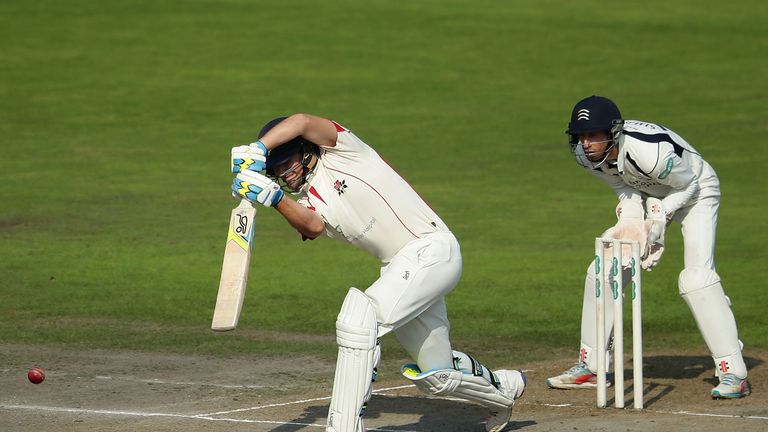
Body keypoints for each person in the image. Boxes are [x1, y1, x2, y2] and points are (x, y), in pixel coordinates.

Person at [229, 113, 526, 432]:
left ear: (305, 149)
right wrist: (273, 198)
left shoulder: (342, 149)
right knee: (436, 377)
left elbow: (301, 120)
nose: (284, 174)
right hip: (402, 267)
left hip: (432, 250)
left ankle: (342, 427)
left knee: (359, 319)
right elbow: (312, 226)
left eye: (287, 161)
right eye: (276, 171)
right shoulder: (309, 200)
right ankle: (503, 390)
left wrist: (259, 148)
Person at [546, 95, 750, 399]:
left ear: (612, 133)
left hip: (694, 191)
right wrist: (630, 217)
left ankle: (733, 371)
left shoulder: (649, 150)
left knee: (695, 279)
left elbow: (689, 184)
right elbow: (622, 184)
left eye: (592, 135)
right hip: (649, 190)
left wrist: (659, 219)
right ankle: (591, 367)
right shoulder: (582, 155)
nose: (585, 143)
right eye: (580, 135)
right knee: (604, 269)